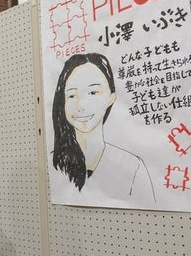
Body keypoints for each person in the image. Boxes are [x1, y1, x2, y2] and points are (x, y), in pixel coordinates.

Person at [51, 52, 155, 203]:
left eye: (93, 92)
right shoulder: (53, 163)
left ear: (111, 97)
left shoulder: (132, 167)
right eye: (72, 95)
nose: (81, 106)